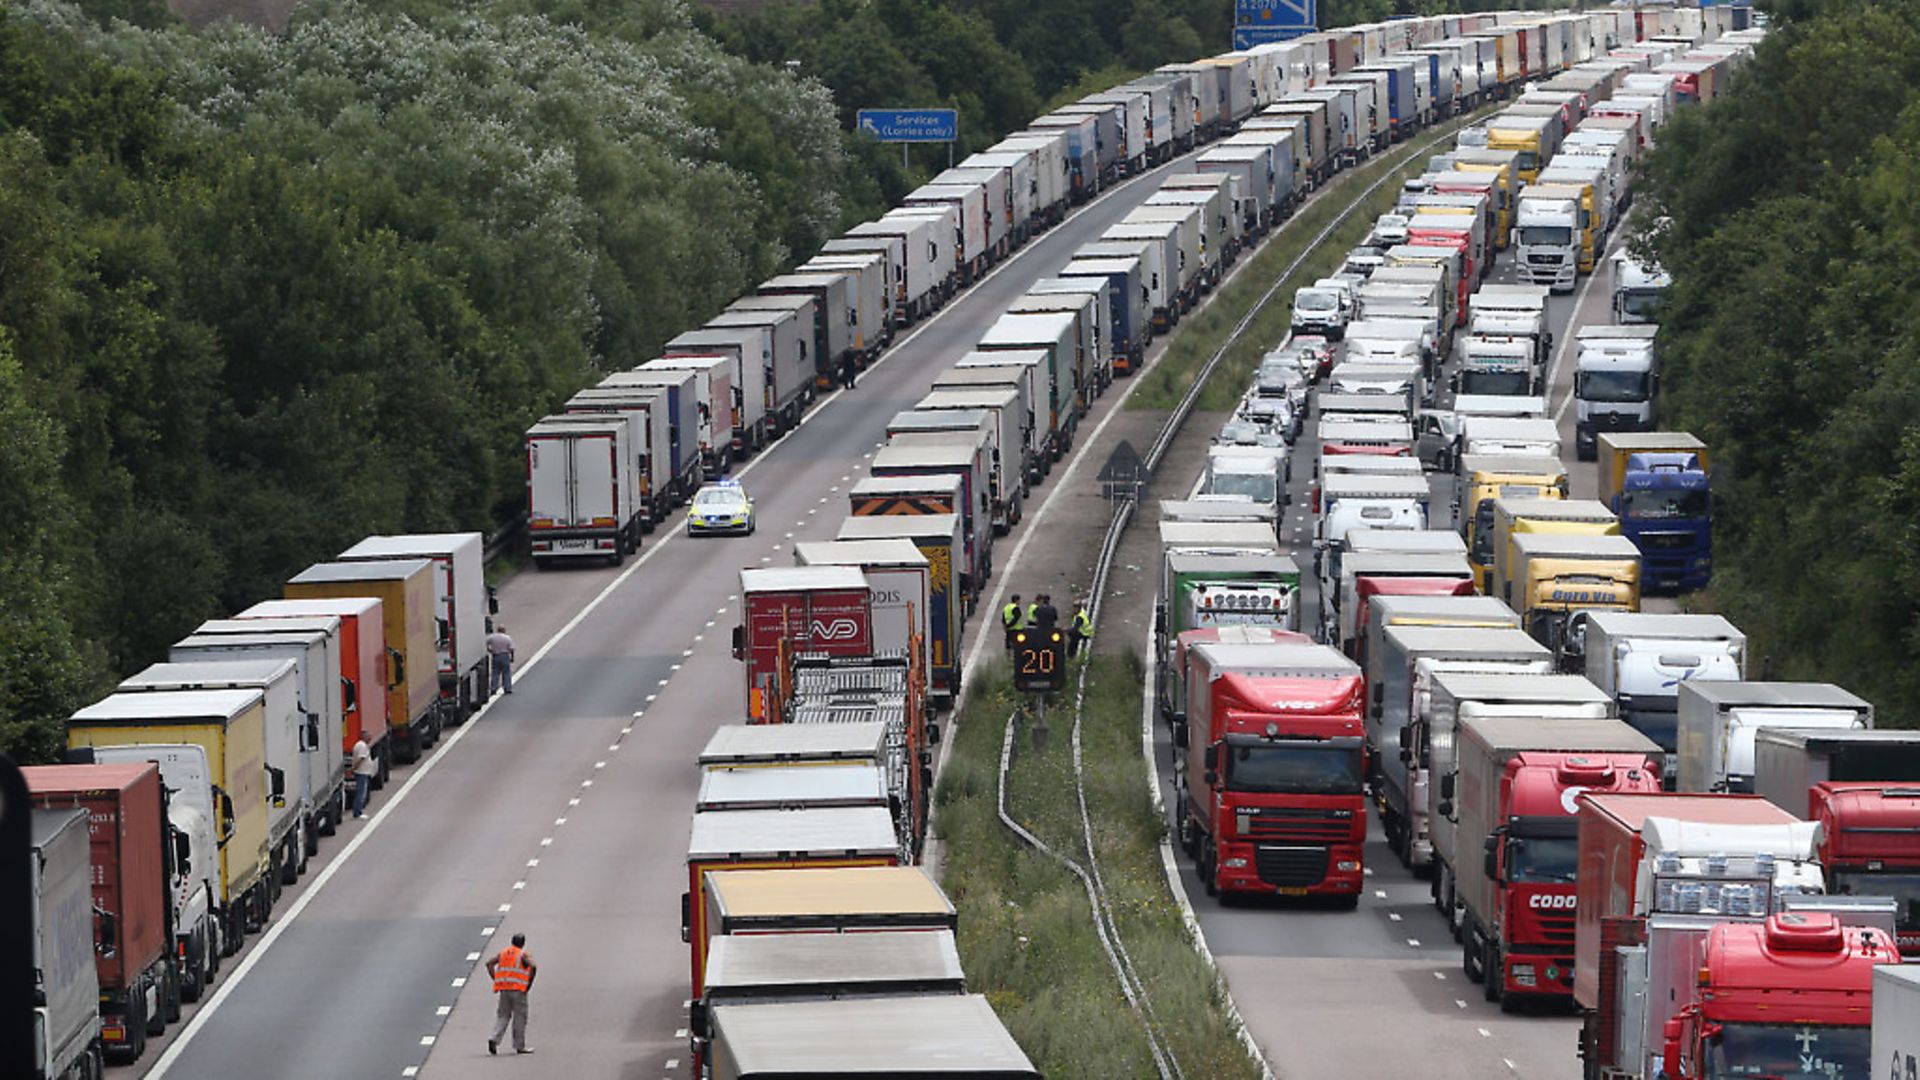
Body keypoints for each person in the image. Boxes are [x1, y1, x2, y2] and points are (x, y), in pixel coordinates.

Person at [486, 932, 537, 1056]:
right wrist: (529, 984)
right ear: (523, 943)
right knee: (519, 1018)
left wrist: (496, 979)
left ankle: (494, 1038)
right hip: (519, 990)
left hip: (504, 989)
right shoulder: (523, 954)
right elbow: (533, 966)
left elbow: (489, 963)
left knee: (502, 1015)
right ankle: (519, 1046)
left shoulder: (503, 953)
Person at [487, 625, 516, 695]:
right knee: (506, 673)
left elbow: (486, 643)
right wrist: (512, 657)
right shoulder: (507, 638)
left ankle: (493, 688)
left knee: (495, 673)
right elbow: (511, 649)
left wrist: (490, 650)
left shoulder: (492, 637)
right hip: (505, 655)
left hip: (496, 656)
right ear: (504, 630)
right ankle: (507, 688)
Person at [351, 737, 375, 819]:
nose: (370, 739)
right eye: (369, 737)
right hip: (362, 773)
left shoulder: (359, 745)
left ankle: (357, 811)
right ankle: (358, 812)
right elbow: (361, 759)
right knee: (361, 793)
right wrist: (354, 768)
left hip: (362, 772)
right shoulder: (362, 746)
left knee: (360, 792)